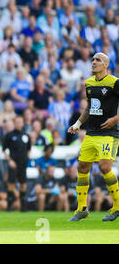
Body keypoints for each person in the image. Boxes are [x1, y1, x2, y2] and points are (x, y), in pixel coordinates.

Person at [67, 52, 119, 222]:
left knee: (105, 167)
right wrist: (77, 124)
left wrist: (115, 119)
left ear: (106, 65)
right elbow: (90, 107)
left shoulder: (114, 82)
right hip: (91, 132)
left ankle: (117, 207)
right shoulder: (88, 83)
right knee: (82, 168)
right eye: (93, 60)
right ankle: (82, 209)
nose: (94, 62)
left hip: (108, 134)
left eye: (98, 60)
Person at [2, 115, 31, 211]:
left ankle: (23, 207)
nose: (19, 124)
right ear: (14, 123)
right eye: (17, 122)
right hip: (13, 163)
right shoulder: (9, 135)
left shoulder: (26, 136)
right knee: (11, 184)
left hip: (23, 164)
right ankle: (9, 206)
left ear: (23, 123)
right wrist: (9, 160)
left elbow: (29, 149)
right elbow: (4, 150)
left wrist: (27, 158)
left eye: (20, 122)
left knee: (23, 184)